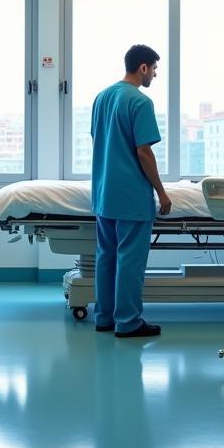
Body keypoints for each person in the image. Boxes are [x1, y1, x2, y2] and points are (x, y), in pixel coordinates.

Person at [90, 45, 172, 338]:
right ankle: (128, 321)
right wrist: (162, 193)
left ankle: (103, 317)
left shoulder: (101, 98)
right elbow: (144, 152)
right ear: (143, 68)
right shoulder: (139, 101)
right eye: (155, 69)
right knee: (130, 260)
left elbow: (100, 141)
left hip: (103, 193)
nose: (155, 75)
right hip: (130, 196)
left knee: (106, 256)